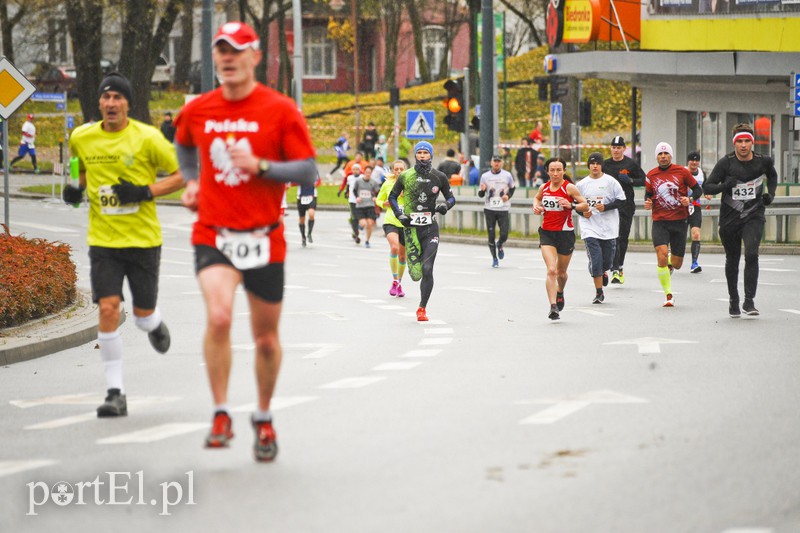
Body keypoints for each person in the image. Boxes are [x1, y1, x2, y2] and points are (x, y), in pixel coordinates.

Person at [174, 21, 317, 461]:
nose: (227, 58)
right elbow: (184, 144)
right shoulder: (199, 109)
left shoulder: (280, 109)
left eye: (236, 50)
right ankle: (221, 412)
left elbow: (307, 170)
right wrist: (192, 181)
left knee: (266, 339)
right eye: (221, 50)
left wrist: (261, 167)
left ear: (255, 56)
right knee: (219, 317)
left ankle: (263, 415)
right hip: (213, 232)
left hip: (263, 236)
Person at [61, 72, 183, 418]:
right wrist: (76, 189)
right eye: (106, 97)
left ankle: (153, 323)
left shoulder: (148, 138)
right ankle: (115, 392)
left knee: (142, 316)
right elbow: (81, 170)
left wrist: (144, 192)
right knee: (108, 309)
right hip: (104, 241)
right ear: (99, 102)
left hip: (143, 241)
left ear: (128, 103)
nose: (111, 103)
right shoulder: (82, 137)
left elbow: (184, 174)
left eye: (118, 97)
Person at [703, 123, 777, 318]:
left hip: (754, 214)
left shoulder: (763, 161)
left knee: (752, 254)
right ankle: (734, 300)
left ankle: (749, 301)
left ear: (752, 143)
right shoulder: (726, 163)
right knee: (733, 259)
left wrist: (771, 194)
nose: (743, 145)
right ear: (734, 143)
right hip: (730, 218)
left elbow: (772, 175)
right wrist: (724, 186)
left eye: (747, 141)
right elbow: (707, 187)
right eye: (740, 141)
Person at [388, 141, 456, 321]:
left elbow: (451, 198)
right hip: (411, 230)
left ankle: (422, 309)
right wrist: (399, 214)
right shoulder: (406, 176)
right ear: (415, 155)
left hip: (430, 229)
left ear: (431, 155)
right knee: (416, 274)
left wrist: (445, 206)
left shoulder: (439, 176)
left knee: (427, 268)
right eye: (419, 153)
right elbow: (392, 197)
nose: (423, 155)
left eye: (426, 153)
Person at [644, 142, 703, 308]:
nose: (663, 157)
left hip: (679, 221)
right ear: (656, 157)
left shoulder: (682, 172)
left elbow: (698, 190)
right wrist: (648, 202)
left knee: (677, 264)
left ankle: (670, 261)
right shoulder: (651, 175)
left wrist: (689, 199)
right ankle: (668, 295)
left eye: (666, 154)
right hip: (660, 221)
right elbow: (648, 194)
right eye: (660, 154)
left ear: (671, 155)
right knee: (661, 254)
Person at [532, 157, 588, 320]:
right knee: (551, 270)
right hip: (547, 233)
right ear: (547, 171)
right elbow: (537, 198)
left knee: (561, 273)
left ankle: (560, 291)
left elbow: (585, 205)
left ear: (564, 171)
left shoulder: (569, 187)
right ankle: (553, 306)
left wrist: (571, 205)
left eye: (558, 170)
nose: (555, 173)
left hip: (565, 234)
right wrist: (536, 206)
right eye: (552, 170)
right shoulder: (544, 187)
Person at [576, 153, 627, 304]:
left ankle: (602, 271)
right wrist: (582, 212)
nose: (595, 166)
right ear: (588, 166)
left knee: (607, 262)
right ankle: (599, 292)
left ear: (602, 165)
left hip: (609, 228)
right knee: (596, 259)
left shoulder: (611, 182)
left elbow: (622, 201)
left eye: (598, 163)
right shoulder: (581, 185)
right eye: (592, 163)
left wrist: (606, 207)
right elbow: (575, 205)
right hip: (589, 227)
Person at [603, 135, 647, 285]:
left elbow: (644, 180)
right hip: (610, 206)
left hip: (626, 206)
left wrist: (631, 181)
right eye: (614, 147)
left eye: (618, 148)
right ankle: (614, 269)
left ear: (624, 149)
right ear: (611, 148)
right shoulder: (605, 165)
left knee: (622, 237)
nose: (616, 150)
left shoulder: (631, 164)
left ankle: (619, 266)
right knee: (613, 237)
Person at [376, 159, 408, 297]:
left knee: (402, 255)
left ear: (405, 170)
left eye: (401, 169)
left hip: (405, 223)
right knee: (394, 247)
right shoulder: (388, 183)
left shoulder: (409, 183)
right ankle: (395, 280)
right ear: (392, 170)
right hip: (391, 221)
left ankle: (399, 283)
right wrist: (384, 203)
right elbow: (378, 199)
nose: (399, 171)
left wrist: (406, 195)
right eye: (396, 169)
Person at [479, 154, 515, 268]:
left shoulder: (507, 175)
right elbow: (480, 194)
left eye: (499, 161)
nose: (496, 163)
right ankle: (494, 259)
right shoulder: (485, 176)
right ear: (491, 163)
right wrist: (482, 190)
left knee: (504, 233)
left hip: (503, 208)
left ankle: (500, 243)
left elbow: (512, 188)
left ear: (502, 163)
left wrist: (508, 196)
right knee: (491, 235)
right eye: (495, 161)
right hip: (489, 208)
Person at [685, 151, 706, 273]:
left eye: (696, 160)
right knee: (679, 236)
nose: (694, 163)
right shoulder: (682, 171)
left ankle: (694, 263)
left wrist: (708, 192)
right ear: (688, 161)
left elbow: (705, 186)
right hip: (682, 207)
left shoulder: (701, 174)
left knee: (696, 234)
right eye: (692, 160)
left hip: (695, 206)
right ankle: (671, 259)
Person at [352, 164, 381, 248]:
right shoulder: (358, 181)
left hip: (370, 205)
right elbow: (354, 190)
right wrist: (357, 197)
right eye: (367, 172)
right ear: (364, 172)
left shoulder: (373, 182)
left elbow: (378, 192)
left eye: (369, 172)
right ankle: (359, 227)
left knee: (370, 224)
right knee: (364, 223)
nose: (368, 174)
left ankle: (367, 241)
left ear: (371, 173)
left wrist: (376, 197)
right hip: (360, 206)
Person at [338, 162, 363, 243]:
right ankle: (356, 235)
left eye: (357, 169)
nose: (355, 171)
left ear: (360, 170)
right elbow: (348, 186)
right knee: (354, 217)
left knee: (360, 217)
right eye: (354, 169)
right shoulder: (350, 177)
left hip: (361, 200)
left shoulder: (362, 177)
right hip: (352, 200)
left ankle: (356, 230)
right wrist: (345, 192)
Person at [297, 174, 320, 247]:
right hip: (301, 197)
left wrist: (313, 182)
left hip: (312, 196)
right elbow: (292, 182)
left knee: (311, 214)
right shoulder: (298, 172)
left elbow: (318, 182)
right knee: (302, 219)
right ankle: (303, 237)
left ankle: (309, 233)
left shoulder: (313, 171)